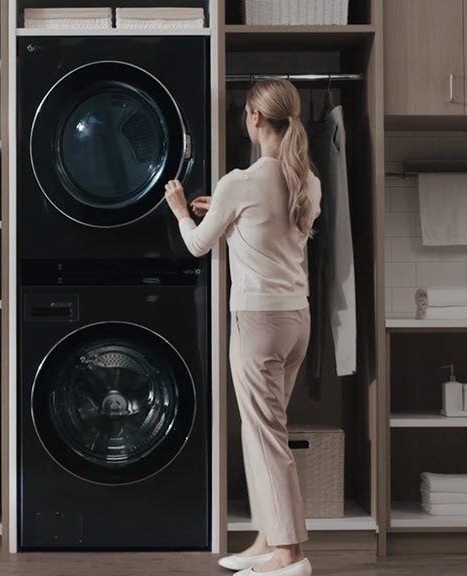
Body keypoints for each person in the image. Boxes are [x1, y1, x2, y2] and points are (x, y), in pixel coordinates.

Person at [164, 79, 321, 576]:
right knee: (263, 433)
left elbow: (196, 246)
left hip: (258, 323)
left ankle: (290, 555)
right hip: (297, 320)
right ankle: (265, 541)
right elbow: (268, 229)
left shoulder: (240, 182)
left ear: (254, 117)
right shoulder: (307, 181)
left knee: (265, 436)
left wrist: (179, 209)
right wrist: (226, 211)